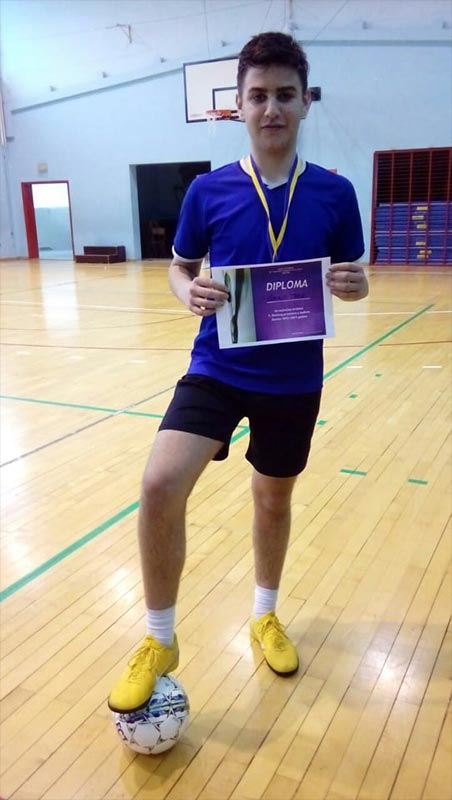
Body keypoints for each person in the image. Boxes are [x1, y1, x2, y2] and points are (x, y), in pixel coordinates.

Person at [108, 31, 368, 714]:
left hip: (294, 381)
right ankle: (159, 637)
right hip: (216, 367)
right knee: (159, 484)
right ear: (239, 106)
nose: (271, 108)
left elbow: (352, 273)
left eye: (285, 94)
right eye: (258, 96)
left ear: (305, 102)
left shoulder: (335, 193)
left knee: (272, 500)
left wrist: (356, 285)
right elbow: (179, 266)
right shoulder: (208, 190)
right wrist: (185, 291)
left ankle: (264, 614)